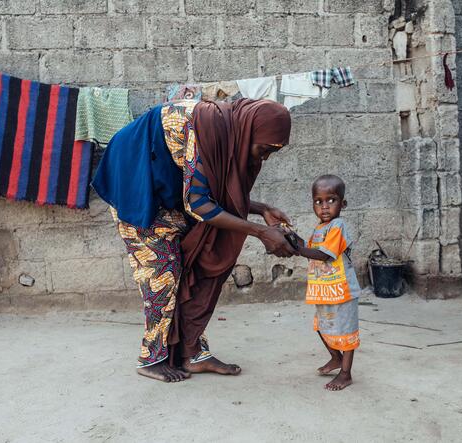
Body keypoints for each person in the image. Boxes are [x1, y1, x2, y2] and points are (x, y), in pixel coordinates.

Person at [91, 98, 296, 383]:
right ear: (248, 130)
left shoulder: (229, 133)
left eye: (273, 153)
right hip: (136, 186)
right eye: (263, 150)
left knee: (190, 269)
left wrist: (262, 210)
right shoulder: (204, 129)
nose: (263, 159)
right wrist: (260, 231)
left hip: (169, 192)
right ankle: (151, 359)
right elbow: (199, 204)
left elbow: (216, 192)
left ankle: (191, 353)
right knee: (162, 273)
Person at [294, 175, 361, 391]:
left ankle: (346, 373)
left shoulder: (337, 226)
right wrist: (290, 237)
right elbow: (310, 250)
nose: (324, 207)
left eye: (331, 200)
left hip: (342, 291)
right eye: (318, 201)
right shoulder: (320, 228)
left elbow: (323, 255)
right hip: (325, 291)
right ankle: (335, 358)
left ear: (343, 203)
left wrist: (294, 248)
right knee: (322, 327)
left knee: (346, 331)